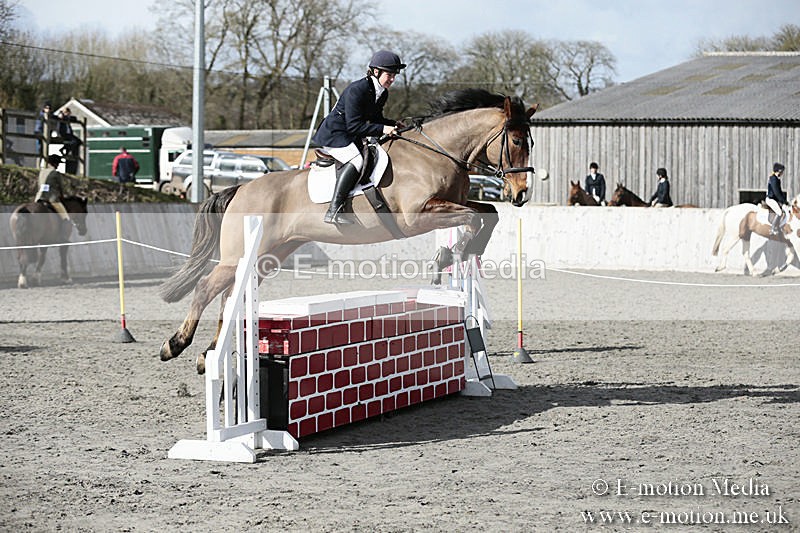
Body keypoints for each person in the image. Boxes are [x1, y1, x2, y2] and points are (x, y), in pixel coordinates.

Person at [312, 50, 406, 225]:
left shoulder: (382, 92)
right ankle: (334, 210)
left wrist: (393, 124)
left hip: (349, 134)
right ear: (376, 72)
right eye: (389, 75)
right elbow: (354, 125)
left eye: (394, 76)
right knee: (356, 161)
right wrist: (384, 129)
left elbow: (376, 118)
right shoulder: (358, 89)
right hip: (335, 134)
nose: (392, 79)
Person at [35, 154, 71, 223]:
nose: (58, 166)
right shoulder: (56, 173)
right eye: (58, 164)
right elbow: (61, 187)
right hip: (52, 199)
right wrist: (63, 196)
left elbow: (39, 185)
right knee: (65, 216)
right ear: (56, 164)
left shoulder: (41, 172)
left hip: (39, 198)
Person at [766, 162, 788, 235]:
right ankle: (772, 229)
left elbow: (780, 192)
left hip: (774, 199)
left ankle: (779, 227)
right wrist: (783, 201)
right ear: (779, 171)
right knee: (779, 212)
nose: (782, 173)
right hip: (770, 199)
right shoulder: (773, 179)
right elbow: (776, 192)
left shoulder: (777, 179)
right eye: (782, 171)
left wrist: (785, 201)